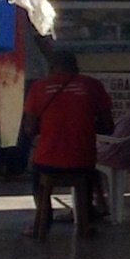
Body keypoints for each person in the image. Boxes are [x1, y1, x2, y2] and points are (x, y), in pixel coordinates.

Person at [20, 51, 117, 240]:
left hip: (47, 160)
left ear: (52, 67)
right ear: (76, 67)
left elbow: (29, 129)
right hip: (82, 159)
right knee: (89, 173)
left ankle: (42, 221)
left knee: (37, 176)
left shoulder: (39, 87)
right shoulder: (92, 86)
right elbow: (108, 127)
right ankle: (86, 221)